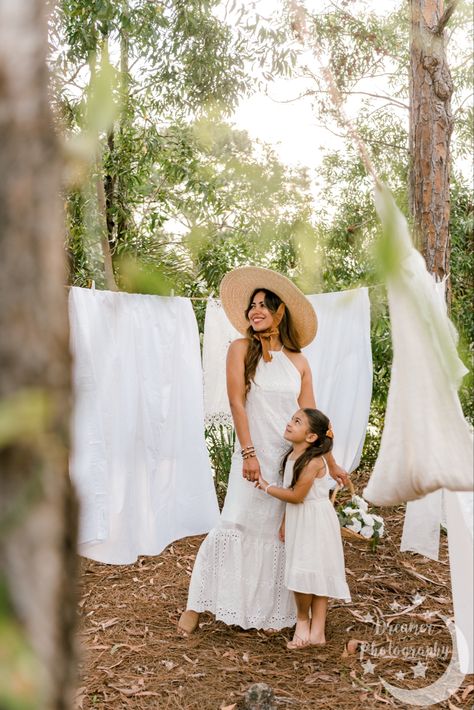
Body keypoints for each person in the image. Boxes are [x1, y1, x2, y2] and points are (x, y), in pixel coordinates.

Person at [178, 266, 348, 635]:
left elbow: (314, 417)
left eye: (263, 305)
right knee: (233, 523)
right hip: (252, 455)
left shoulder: (298, 361)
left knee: (278, 535)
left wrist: (331, 463)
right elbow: (238, 404)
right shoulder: (239, 349)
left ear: (279, 312)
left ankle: (268, 612)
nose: (255, 311)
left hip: (290, 461)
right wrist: (249, 453)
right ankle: (197, 603)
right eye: (251, 306)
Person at [256, 408, 351, 649]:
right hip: (301, 518)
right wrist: (286, 521)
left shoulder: (313, 462)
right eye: (292, 419)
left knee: (312, 571)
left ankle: (310, 627)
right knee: (306, 570)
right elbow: (293, 493)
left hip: (315, 520)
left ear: (311, 437)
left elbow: (297, 495)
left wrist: (266, 488)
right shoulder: (292, 456)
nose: (289, 423)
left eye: (297, 422)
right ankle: (311, 628)